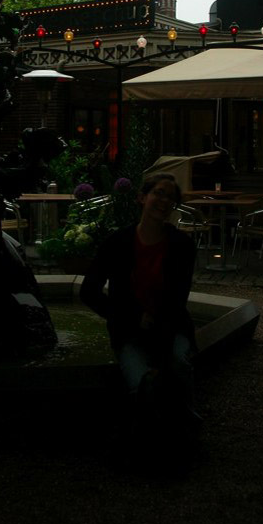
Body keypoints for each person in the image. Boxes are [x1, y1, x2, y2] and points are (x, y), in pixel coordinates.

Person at [80, 173, 202, 450]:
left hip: (170, 326)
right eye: (159, 193)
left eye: (170, 197)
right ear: (142, 197)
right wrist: (131, 318)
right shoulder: (117, 243)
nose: (164, 201)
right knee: (142, 382)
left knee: (178, 363)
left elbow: (178, 297)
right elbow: (89, 291)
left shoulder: (182, 246)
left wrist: (157, 326)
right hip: (128, 330)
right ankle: (150, 441)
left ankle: (186, 425)